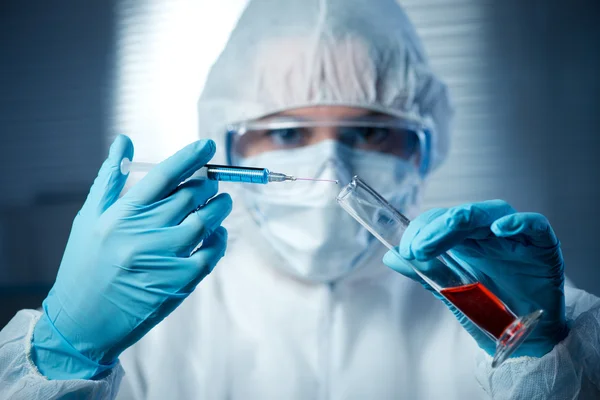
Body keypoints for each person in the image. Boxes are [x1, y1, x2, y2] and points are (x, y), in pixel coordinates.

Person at [1, 0, 599, 398]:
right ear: (231, 143)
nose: (330, 164)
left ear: (425, 148)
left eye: (368, 131)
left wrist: (545, 355)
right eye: (287, 133)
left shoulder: (487, 298)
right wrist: (64, 356)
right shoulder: (151, 312)